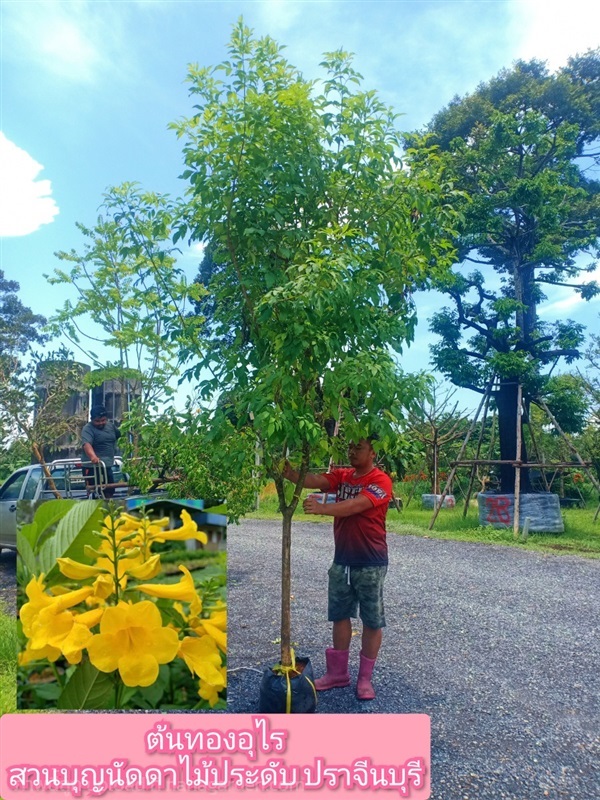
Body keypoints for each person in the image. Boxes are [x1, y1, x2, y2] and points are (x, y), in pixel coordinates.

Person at [282, 438, 392, 700]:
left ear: (373, 453)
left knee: (372, 619)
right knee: (340, 614)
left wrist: (323, 509)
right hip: (341, 559)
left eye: (359, 448)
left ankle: (364, 679)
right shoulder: (343, 476)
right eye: (350, 448)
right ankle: (338, 674)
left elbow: (356, 506)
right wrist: (289, 474)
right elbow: (315, 480)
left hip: (371, 560)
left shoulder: (380, 481)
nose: (352, 452)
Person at [81, 405, 121, 499]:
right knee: (95, 490)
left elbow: (120, 435)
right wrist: (93, 457)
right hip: (92, 467)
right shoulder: (88, 429)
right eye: (97, 421)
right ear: (92, 419)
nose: (100, 423)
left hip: (107, 465)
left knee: (110, 489)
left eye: (103, 420)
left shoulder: (111, 426)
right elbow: (87, 444)